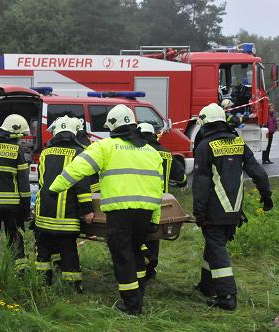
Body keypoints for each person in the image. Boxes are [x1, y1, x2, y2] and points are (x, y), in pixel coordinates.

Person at [50, 104, 163, 315]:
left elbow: (77, 168)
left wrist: (55, 188)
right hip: (145, 212)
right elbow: (159, 189)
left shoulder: (105, 147)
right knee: (135, 252)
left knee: (122, 256)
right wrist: (155, 216)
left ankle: (131, 305)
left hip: (120, 213)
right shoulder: (151, 152)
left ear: (112, 125)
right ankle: (137, 295)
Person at [192, 103, 272, 311]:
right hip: (234, 209)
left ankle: (227, 296)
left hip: (214, 210)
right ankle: (207, 286)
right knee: (214, 245)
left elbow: (200, 184)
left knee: (217, 249)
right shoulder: (238, 142)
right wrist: (266, 195)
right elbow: (258, 172)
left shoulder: (204, 146)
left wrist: (198, 212)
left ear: (205, 123)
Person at [35, 116, 94, 292]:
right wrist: (88, 211)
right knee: (68, 251)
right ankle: (72, 287)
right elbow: (82, 185)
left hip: (43, 214)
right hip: (66, 217)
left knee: (43, 251)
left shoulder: (45, 153)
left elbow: (41, 182)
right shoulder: (79, 153)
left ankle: (42, 284)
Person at [137, 122, 187, 280]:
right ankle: (151, 269)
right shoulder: (165, 153)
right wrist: (182, 181)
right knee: (154, 235)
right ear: (153, 135)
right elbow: (181, 178)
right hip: (162, 204)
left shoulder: (137, 151)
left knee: (138, 235)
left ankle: (140, 267)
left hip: (139, 202)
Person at [0, 114, 31, 271]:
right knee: (16, 238)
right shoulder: (16, 150)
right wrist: (25, 209)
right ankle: (21, 271)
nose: (21, 140)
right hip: (12, 206)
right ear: (15, 132)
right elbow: (23, 183)